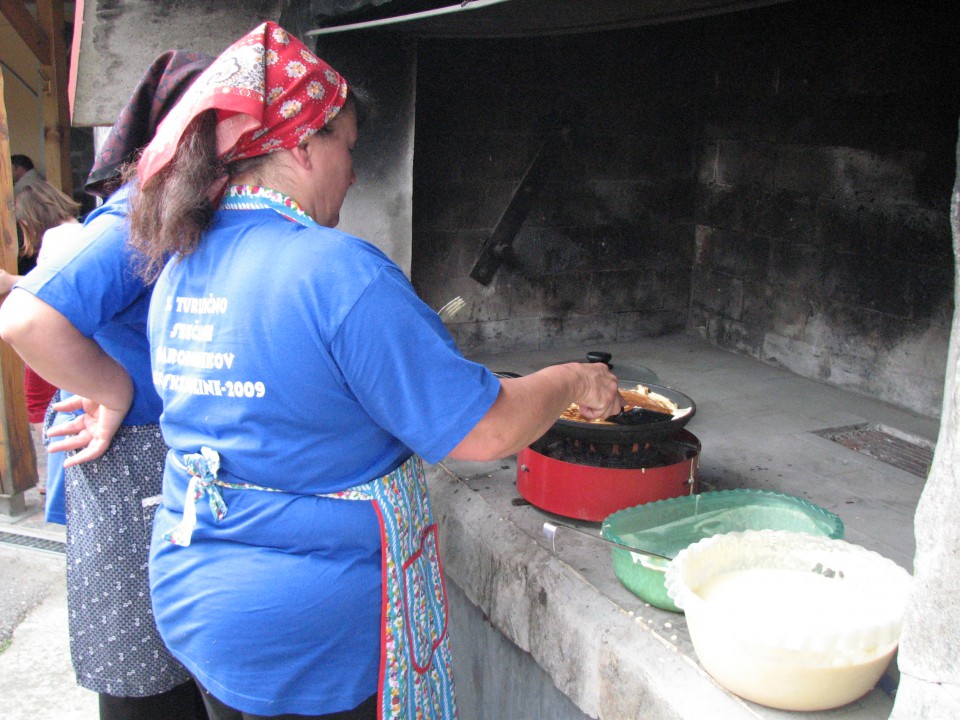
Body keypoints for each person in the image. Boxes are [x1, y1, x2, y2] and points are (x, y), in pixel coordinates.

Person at [119, 21, 622, 720]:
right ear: (300, 143)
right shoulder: (335, 269)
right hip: (307, 634)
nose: (354, 172)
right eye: (347, 148)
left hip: (197, 595)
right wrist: (572, 378)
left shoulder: (180, 266)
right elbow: (486, 430)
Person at [0, 51, 214, 720]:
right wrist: (113, 387)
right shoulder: (138, 215)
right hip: (131, 462)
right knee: (141, 678)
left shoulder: (177, 214)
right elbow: (28, 319)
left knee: (171, 668)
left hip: (149, 463)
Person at [7, 180, 82, 496]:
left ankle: (55, 477)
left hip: (53, 334)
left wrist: (10, 280)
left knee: (39, 401)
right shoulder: (80, 229)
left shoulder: (56, 238)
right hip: (76, 335)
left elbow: (55, 285)